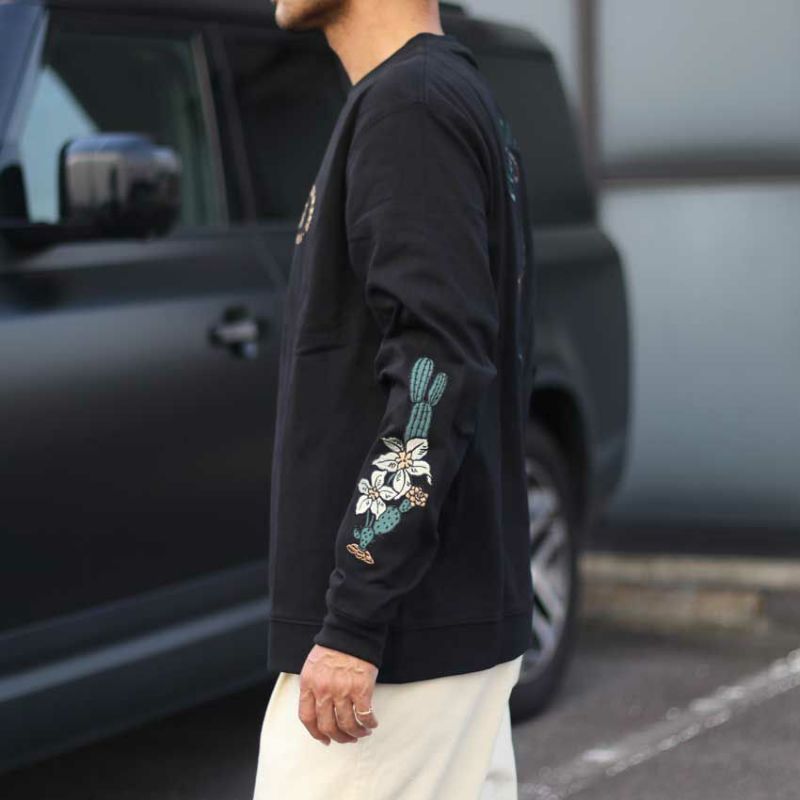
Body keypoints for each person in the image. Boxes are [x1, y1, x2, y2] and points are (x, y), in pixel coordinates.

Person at [253, 0, 538, 797]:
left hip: (399, 650)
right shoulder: (430, 97)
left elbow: (436, 369)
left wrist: (356, 614)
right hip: (433, 629)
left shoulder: (411, 107)